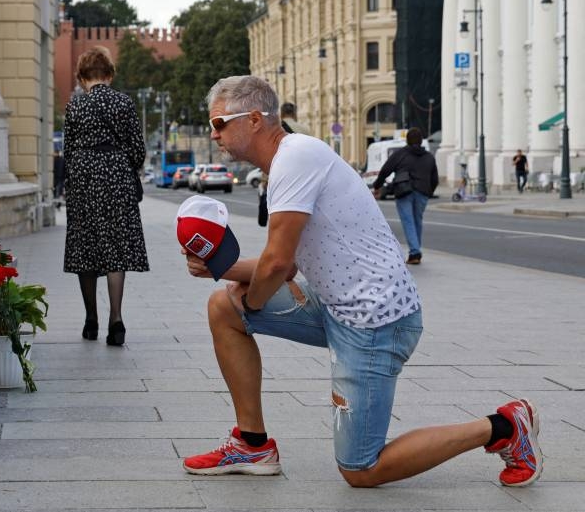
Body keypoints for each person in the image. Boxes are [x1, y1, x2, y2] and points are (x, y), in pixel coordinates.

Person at [180, 75, 541, 488]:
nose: (214, 133)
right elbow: (288, 263)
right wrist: (219, 271)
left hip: (375, 324)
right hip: (336, 305)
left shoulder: (294, 159)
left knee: (361, 470)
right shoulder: (288, 159)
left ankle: (503, 427)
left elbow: (278, 265)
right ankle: (252, 443)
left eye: (221, 122)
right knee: (224, 306)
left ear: (256, 119)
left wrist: (255, 301)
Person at [62, 47, 149, 346]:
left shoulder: (75, 107)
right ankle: (116, 319)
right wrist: (123, 165)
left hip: (84, 179)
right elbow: (138, 150)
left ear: (82, 77)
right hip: (117, 177)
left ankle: (90, 321)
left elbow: (68, 153)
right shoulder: (124, 103)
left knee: (85, 246)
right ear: (110, 74)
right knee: (116, 248)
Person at [371, 128, 438, 265]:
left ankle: (415, 252)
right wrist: (429, 191)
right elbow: (434, 178)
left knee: (408, 221)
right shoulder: (429, 157)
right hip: (422, 193)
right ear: (421, 141)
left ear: (407, 140)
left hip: (404, 191)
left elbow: (385, 170)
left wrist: (377, 185)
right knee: (417, 221)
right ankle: (416, 250)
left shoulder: (400, 154)